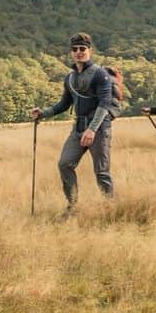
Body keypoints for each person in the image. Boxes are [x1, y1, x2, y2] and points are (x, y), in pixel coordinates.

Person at [30, 33, 116, 216]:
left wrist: (92, 130)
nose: (78, 52)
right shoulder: (69, 78)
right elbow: (64, 104)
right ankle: (73, 206)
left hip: (99, 128)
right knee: (64, 164)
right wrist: (43, 114)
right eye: (75, 49)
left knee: (101, 172)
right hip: (78, 128)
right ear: (71, 52)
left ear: (89, 51)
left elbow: (105, 103)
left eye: (82, 49)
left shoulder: (100, 74)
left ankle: (111, 208)